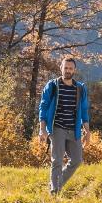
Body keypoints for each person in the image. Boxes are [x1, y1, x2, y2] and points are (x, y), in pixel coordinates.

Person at [38, 56, 90, 194]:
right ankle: (55, 191)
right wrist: (42, 129)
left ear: (75, 70)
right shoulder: (52, 86)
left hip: (74, 129)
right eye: (65, 67)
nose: (68, 70)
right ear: (61, 68)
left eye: (70, 68)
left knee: (77, 160)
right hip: (57, 128)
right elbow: (43, 108)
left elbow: (84, 111)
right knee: (57, 160)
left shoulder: (80, 88)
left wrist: (87, 132)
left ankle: (56, 184)